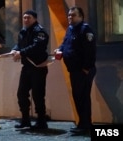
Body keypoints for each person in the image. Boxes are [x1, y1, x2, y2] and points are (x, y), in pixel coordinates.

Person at [54, 6, 96, 136]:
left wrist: (86, 68)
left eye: (73, 15)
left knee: (83, 97)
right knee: (78, 97)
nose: (70, 17)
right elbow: (65, 43)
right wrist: (59, 49)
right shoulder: (71, 29)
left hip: (82, 70)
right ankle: (82, 124)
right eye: (69, 15)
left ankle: (86, 125)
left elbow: (90, 50)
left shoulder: (85, 29)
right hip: (74, 70)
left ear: (81, 16)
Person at [11, 10, 49, 130]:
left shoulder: (40, 31)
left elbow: (36, 47)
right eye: (24, 18)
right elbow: (20, 44)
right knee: (21, 93)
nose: (26, 20)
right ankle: (25, 120)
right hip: (27, 67)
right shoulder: (23, 31)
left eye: (29, 18)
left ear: (35, 19)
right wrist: (14, 49)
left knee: (38, 95)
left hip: (38, 67)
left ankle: (41, 122)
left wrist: (21, 53)